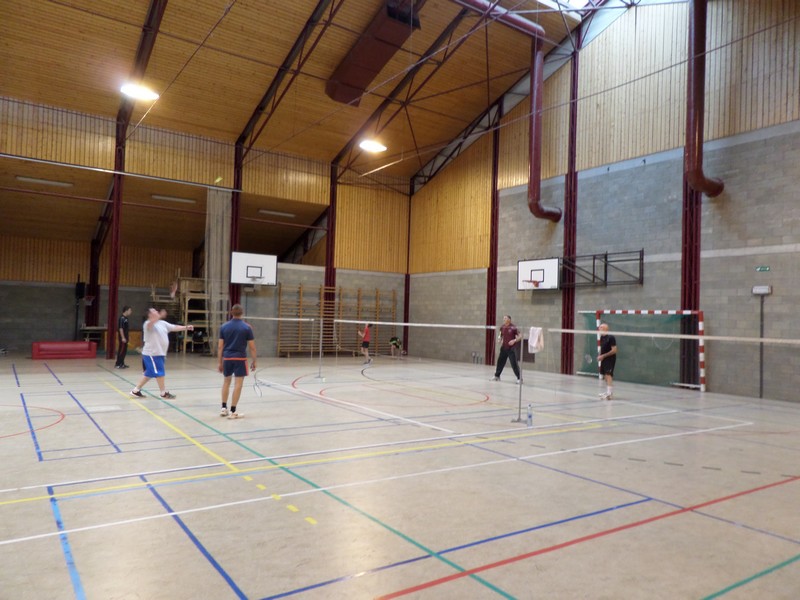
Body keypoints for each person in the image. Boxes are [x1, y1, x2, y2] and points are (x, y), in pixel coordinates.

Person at [130, 308, 193, 399]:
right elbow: (151, 324)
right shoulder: (147, 323)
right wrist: (159, 316)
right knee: (160, 372)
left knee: (149, 373)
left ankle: (135, 390)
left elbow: (174, 327)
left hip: (160, 353)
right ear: (150, 315)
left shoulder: (162, 323)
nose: (156, 312)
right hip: (151, 354)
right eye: (153, 311)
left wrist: (186, 327)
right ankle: (163, 393)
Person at [217, 304, 256, 419]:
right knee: (238, 384)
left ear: (231, 312)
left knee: (226, 382)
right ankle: (233, 411)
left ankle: (223, 408)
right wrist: (254, 361)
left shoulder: (224, 326)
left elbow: (220, 347)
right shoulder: (247, 328)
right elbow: (252, 347)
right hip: (240, 359)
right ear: (242, 313)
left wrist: (220, 362)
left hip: (227, 358)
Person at [492, 314, 522, 384]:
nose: (504, 319)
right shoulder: (502, 327)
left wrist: (514, 340)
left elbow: (520, 336)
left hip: (511, 348)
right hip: (504, 348)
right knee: (500, 362)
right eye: (504, 318)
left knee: (514, 364)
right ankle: (497, 376)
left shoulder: (513, 327)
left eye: (505, 318)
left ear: (509, 320)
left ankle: (519, 378)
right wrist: (499, 338)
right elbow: (500, 334)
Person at [598, 323, 617, 400]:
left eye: (601, 327)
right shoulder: (602, 338)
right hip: (604, 359)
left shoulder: (611, 337)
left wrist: (603, 356)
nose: (599, 329)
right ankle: (608, 392)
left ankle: (609, 394)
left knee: (608, 375)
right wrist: (600, 355)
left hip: (610, 359)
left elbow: (614, 350)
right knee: (605, 376)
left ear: (605, 329)